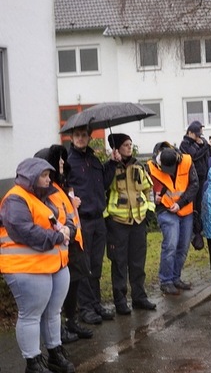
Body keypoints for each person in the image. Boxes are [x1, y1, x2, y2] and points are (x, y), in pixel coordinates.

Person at [0, 158, 75, 373]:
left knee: (53, 312)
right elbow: (24, 231)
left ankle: (54, 352)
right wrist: (58, 237)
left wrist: (68, 229)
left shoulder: (44, 196)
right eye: (44, 175)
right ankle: (33, 362)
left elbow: (65, 217)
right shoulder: (15, 199)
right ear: (30, 177)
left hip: (53, 264)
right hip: (26, 266)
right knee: (31, 315)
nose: (48, 179)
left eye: (49, 175)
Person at [33, 145, 94, 344]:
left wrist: (72, 202)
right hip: (63, 243)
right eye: (58, 159)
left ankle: (70, 321)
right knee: (60, 291)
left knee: (73, 284)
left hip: (74, 241)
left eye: (62, 158)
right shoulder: (46, 189)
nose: (61, 162)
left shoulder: (60, 185)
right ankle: (59, 329)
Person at [66, 126, 116, 325]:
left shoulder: (94, 160)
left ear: (89, 137)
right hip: (81, 221)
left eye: (83, 135)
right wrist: (70, 201)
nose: (80, 138)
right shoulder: (69, 162)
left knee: (96, 264)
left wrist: (111, 163)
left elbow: (103, 182)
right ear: (71, 138)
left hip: (98, 219)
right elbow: (62, 188)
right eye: (76, 135)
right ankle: (85, 308)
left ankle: (95, 303)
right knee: (84, 265)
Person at [103, 133, 158, 314]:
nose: (129, 147)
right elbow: (102, 189)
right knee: (119, 263)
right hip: (117, 223)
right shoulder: (109, 168)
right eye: (125, 145)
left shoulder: (138, 166)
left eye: (130, 144)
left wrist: (149, 209)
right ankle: (120, 302)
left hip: (138, 221)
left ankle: (139, 297)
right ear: (117, 148)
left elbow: (149, 188)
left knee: (137, 262)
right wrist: (112, 164)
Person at [148, 142, 199, 296]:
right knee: (170, 245)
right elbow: (145, 189)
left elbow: (194, 185)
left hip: (185, 209)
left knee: (183, 247)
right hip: (165, 210)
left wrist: (180, 203)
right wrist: (152, 197)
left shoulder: (187, 161)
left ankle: (175, 277)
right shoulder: (150, 167)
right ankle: (166, 281)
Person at [180, 121, 211, 248]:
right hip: (193, 177)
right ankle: (195, 231)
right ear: (190, 133)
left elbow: (207, 156)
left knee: (201, 203)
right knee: (195, 204)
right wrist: (204, 147)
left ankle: (200, 227)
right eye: (197, 134)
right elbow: (194, 157)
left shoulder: (200, 143)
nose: (199, 137)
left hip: (203, 175)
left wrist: (206, 146)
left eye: (200, 134)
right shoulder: (185, 144)